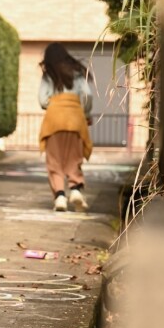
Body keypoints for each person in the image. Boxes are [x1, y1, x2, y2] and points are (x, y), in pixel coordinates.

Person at [38, 43, 93, 212]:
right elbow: (88, 94)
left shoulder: (48, 75)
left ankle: (60, 196)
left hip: (54, 121)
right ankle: (75, 190)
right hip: (75, 119)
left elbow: (42, 100)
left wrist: (55, 105)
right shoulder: (77, 73)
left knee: (54, 160)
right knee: (74, 158)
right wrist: (84, 112)